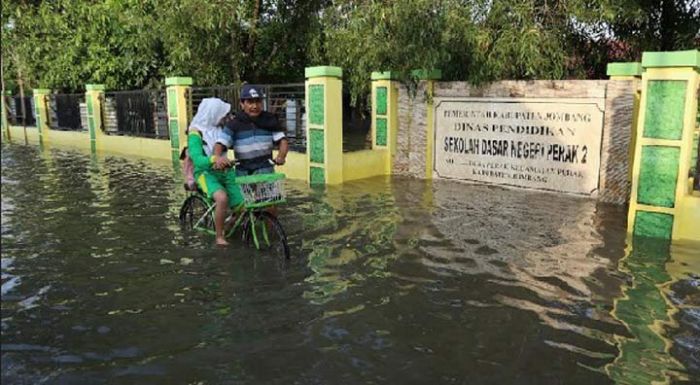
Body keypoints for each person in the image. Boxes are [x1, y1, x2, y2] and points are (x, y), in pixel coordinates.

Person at [186, 98, 243, 246]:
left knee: (245, 202)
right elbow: (197, 159)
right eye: (222, 114)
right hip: (205, 173)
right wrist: (214, 159)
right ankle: (219, 236)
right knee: (222, 198)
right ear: (213, 114)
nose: (225, 117)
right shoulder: (195, 133)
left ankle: (229, 222)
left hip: (226, 171)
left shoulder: (221, 130)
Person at [213, 84, 288, 176]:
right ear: (242, 104)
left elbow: (283, 141)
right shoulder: (234, 124)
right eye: (250, 102)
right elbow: (220, 144)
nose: (255, 106)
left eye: (258, 102)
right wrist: (218, 158)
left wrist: (281, 156)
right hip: (243, 172)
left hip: (265, 171)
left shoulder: (270, 120)